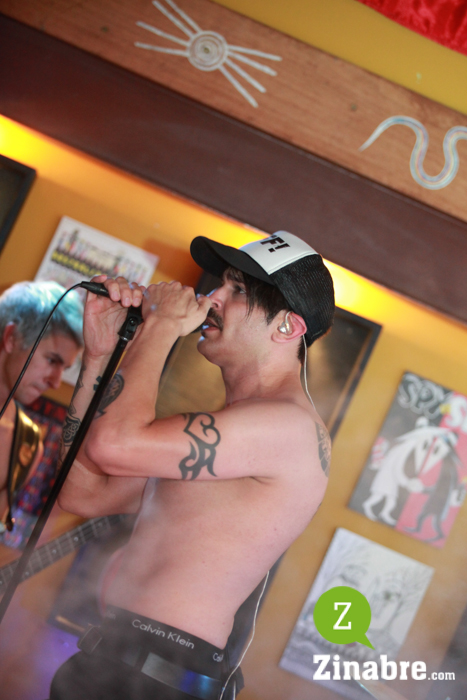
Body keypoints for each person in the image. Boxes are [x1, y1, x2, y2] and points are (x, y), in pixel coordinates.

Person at [50, 231, 335, 700]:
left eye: (236, 290)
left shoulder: (288, 428)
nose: (212, 297)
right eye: (221, 283)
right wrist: (99, 355)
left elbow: (113, 445)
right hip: (109, 661)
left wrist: (160, 326)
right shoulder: (228, 432)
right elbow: (82, 491)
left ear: (288, 327)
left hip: (157, 682)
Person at [0, 281, 83, 534]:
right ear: (12, 338)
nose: (56, 382)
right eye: (51, 360)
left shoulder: (27, 443)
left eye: (64, 368)